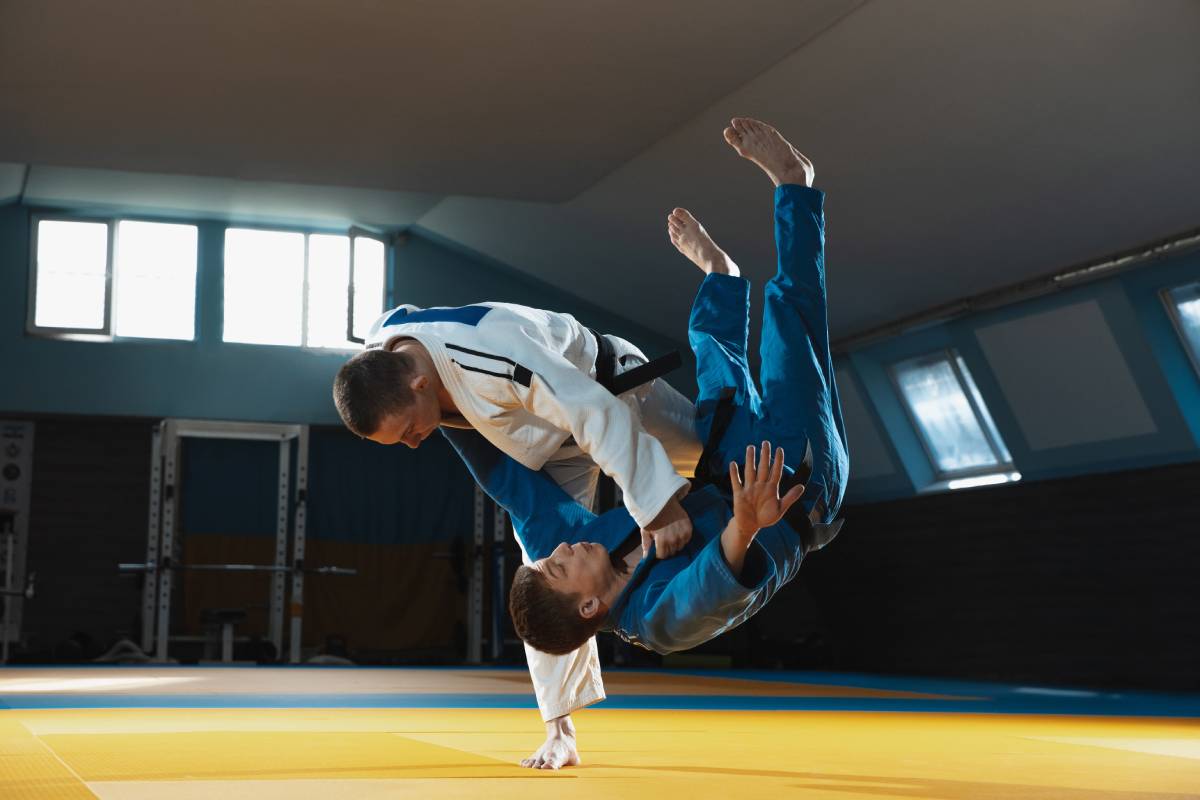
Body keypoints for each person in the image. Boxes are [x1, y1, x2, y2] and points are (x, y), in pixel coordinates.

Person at [444, 117, 848, 661]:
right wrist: (748, 523)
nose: (563, 549)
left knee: (714, 366)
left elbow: (515, 485)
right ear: (589, 607)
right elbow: (709, 585)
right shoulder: (658, 621)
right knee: (788, 318)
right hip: (794, 487)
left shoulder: (578, 550)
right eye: (562, 566)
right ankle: (796, 183)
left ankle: (720, 274)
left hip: (724, 466)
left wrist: (443, 403)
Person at [332, 257, 703, 768]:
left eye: (410, 430)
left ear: (419, 383)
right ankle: (560, 730)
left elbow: (594, 410)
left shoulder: (490, 352)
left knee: (711, 448)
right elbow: (396, 318)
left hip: (613, 388)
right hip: (545, 445)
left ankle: (805, 469)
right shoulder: (389, 354)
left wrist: (657, 505)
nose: (416, 444)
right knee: (546, 574)